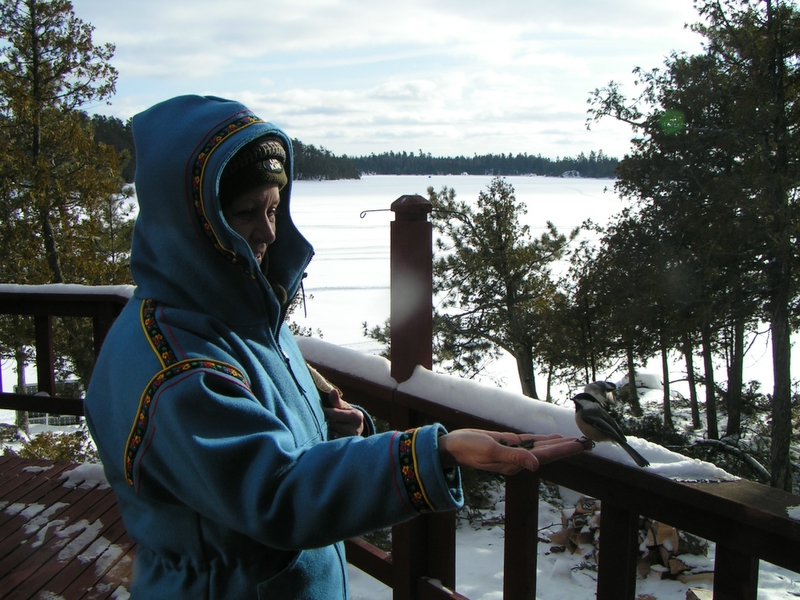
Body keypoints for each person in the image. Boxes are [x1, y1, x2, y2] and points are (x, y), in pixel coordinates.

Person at [84, 95, 585, 600]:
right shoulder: (178, 367)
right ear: (190, 222)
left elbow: (260, 434)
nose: (268, 231)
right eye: (244, 212)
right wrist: (433, 453)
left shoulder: (237, 310)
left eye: (274, 207)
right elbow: (275, 492)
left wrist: (322, 422)